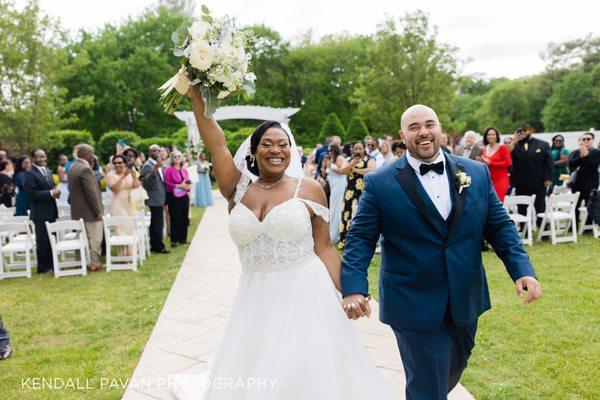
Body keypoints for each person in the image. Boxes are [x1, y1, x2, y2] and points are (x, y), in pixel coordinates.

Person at [168, 85, 396, 399]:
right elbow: (216, 143)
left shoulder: (310, 189)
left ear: (291, 151)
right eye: (267, 144)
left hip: (304, 294)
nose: (276, 150)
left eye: (283, 144)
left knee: (302, 370)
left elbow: (325, 248)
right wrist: (197, 98)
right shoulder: (237, 188)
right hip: (254, 296)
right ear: (253, 150)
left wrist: (352, 290)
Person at [341, 104, 541, 400]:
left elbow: (499, 227)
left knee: (446, 373)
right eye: (414, 127)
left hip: (466, 299)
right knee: (428, 386)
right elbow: (359, 239)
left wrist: (522, 269)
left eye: (429, 124)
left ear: (439, 129)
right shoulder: (379, 183)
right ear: (402, 135)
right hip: (412, 301)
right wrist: (353, 288)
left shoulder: (475, 172)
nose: (423, 132)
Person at [68, 144, 104, 271]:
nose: (93, 156)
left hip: (77, 211)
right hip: (90, 212)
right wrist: (98, 211)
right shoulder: (85, 169)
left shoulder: (72, 167)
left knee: (81, 237)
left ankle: (80, 261)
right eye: (91, 153)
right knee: (95, 238)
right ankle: (95, 263)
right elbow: (91, 193)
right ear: (85, 154)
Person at [24, 149, 59, 274]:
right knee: (43, 240)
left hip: (51, 210)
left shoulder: (47, 171)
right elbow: (31, 194)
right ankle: (43, 268)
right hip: (40, 213)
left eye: (44, 156)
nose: (43, 159)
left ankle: (51, 264)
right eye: (39, 157)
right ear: (33, 158)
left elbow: (51, 188)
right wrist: (50, 193)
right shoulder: (30, 173)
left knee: (51, 239)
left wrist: (55, 193)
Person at [510, 123, 553, 220]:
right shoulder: (515, 145)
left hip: (538, 182)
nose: (523, 133)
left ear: (530, 131)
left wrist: (548, 178)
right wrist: (514, 141)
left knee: (540, 207)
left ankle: (542, 228)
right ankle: (524, 228)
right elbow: (507, 156)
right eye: (520, 131)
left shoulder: (543, 144)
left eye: (525, 130)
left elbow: (549, 162)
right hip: (521, 182)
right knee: (521, 207)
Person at [338, 141, 376, 249]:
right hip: (349, 192)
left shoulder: (370, 159)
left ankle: (360, 242)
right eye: (356, 149)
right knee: (347, 214)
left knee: (360, 216)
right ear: (353, 150)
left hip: (363, 192)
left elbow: (371, 170)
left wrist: (355, 170)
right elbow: (342, 171)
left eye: (360, 148)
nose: (358, 151)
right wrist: (352, 164)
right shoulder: (349, 160)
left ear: (364, 149)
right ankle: (345, 240)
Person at [105, 154, 140, 256]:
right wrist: (123, 176)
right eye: (115, 163)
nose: (117, 164)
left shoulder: (130, 173)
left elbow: (136, 186)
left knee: (129, 228)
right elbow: (115, 189)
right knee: (120, 229)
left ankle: (131, 253)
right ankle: (122, 255)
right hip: (117, 204)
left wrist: (134, 176)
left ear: (125, 164)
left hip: (129, 203)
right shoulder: (110, 175)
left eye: (120, 162)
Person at [141, 145, 168, 254]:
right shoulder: (148, 165)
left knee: (156, 223)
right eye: (153, 150)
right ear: (149, 152)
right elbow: (146, 183)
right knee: (158, 223)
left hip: (160, 197)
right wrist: (155, 169)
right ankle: (158, 247)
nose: (156, 152)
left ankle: (155, 245)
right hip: (154, 198)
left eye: (158, 150)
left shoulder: (157, 163)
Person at [568, 132, 600, 223]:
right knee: (575, 204)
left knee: (590, 204)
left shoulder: (596, 152)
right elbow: (570, 164)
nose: (586, 140)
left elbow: (594, 165)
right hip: (577, 182)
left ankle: (588, 226)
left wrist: (586, 156)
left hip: (591, 181)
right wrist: (581, 157)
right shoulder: (575, 152)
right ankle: (573, 225)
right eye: (583, 139)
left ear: (592, 141)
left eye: (588, 139)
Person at [477, 126, 512, 202]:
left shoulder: (503, 147)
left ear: (496, 136)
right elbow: (486, 164)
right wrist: (482, 162)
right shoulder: (485, 148)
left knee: (498, 203)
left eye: (493, 134)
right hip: (488, 180)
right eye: (489, 135)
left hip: (501, 180)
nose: (491, 136)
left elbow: (508, 162)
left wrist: (491, 163)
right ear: (486, 136)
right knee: (488, 203)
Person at [164, 150, 191, 246]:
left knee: (184, 217)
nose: (177, 158)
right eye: (175, 156)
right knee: (175, 218)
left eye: (179, 156)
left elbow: (187, 181)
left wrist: (188, 186)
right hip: (173, 197)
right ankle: (174, 240)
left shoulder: (184, 170)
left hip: (184, 196)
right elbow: (167, 183)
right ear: (172, 158)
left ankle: (183, 239)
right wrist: (179, 186)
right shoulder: (168, 170)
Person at [324, 144, 347, 243]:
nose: (330, 153)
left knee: (338, 208)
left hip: (339, 186)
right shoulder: (332, 159)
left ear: (336, 151)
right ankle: (332, 233)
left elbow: (343, 171)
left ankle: (337, 234)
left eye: (331, 151)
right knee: (333, 208)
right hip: (334, 187)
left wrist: (330, 167)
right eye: (329, 151)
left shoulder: (340, 158)